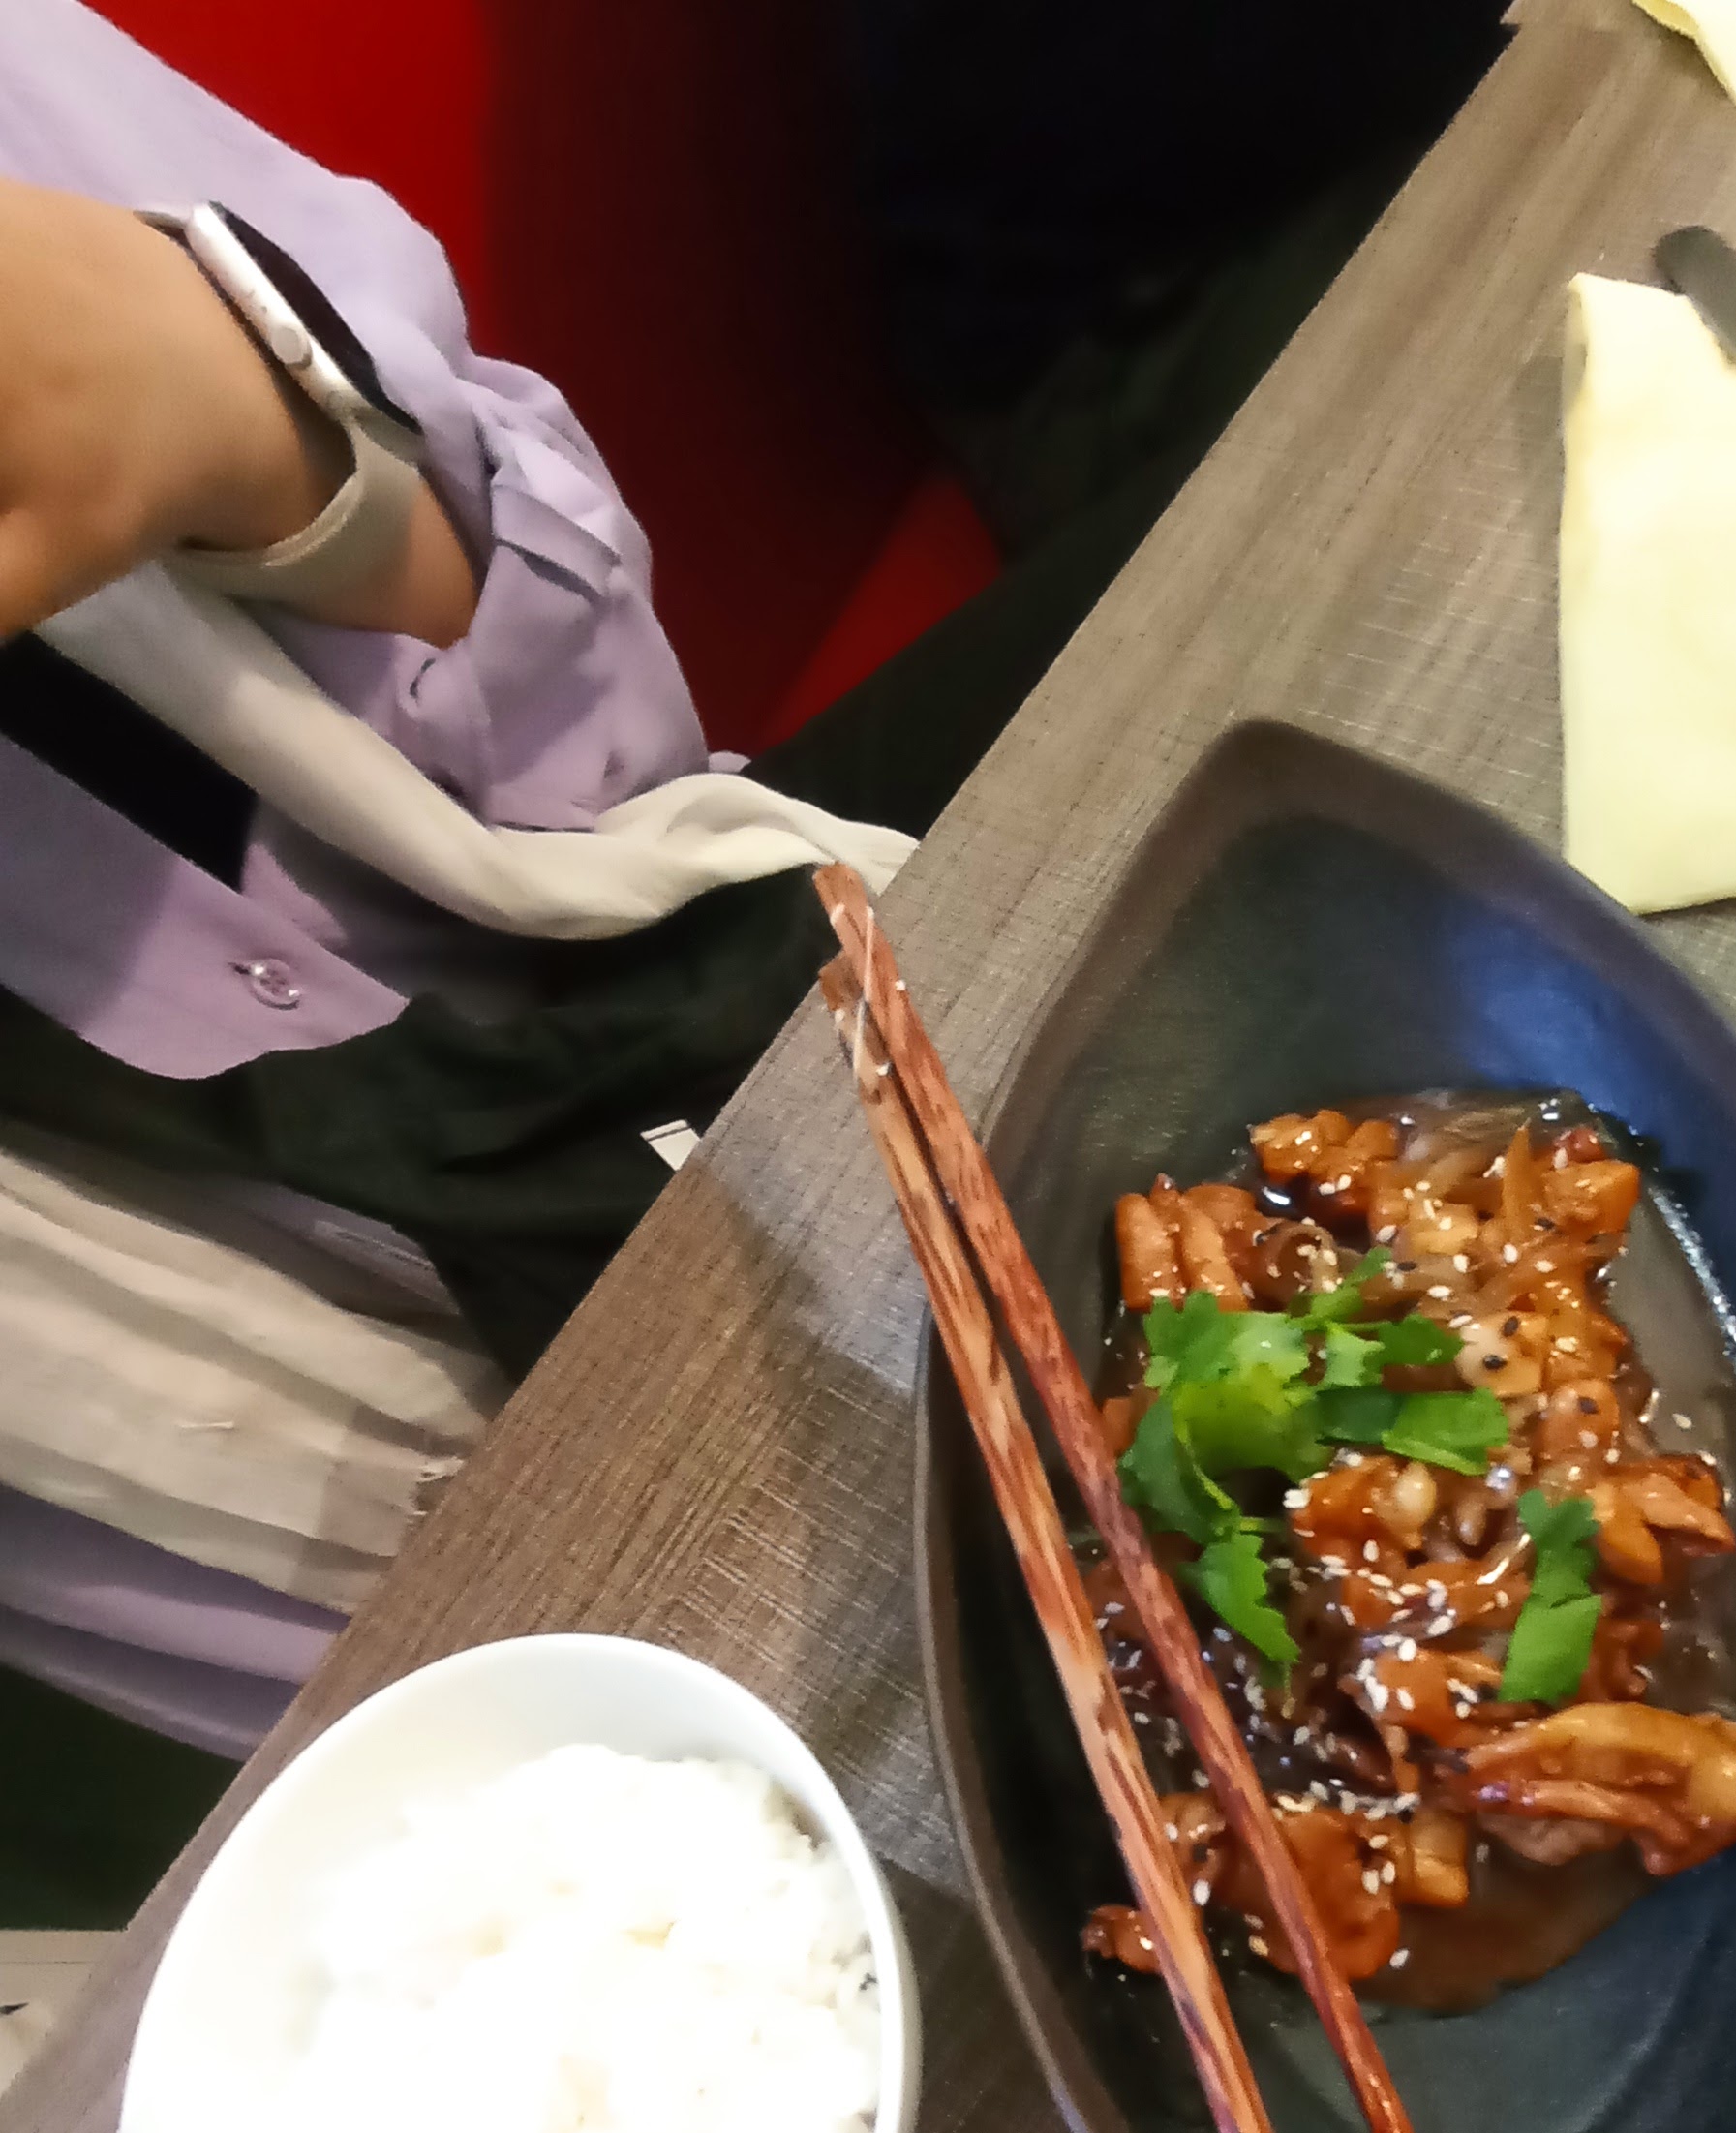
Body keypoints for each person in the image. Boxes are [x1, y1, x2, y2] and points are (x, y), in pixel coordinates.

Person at [0, 0, 1504, 1920]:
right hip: (401, 1654)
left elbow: (593, 724)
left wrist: (239, 422)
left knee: (1445, 529)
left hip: (654, 924)